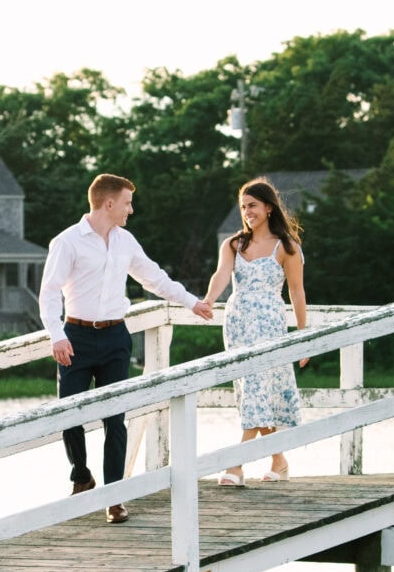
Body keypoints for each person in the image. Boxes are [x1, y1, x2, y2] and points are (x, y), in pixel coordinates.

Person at [40, 174, 215, 524]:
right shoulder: (68, 242)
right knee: (69, 415)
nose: (130, 210)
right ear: (108, 204)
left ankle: (115, 497)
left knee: (115, 419)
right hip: (75, 337)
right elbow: (49, 292)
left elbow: (154, 278)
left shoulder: (125, 241)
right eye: (127, 203)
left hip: (115, 337)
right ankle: (81, 475)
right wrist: (56, 335)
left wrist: (191, 302)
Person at [201, 177, 308, 485]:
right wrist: (208, 300)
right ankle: (279, 460)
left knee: (257, 387)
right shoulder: (234, 244)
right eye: (244, 207)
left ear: (269, 208)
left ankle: (235, 465)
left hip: (269, 324)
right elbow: (221, 275)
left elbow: (297, 292)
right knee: (251, 391)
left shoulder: (287, 247)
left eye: (253, 206)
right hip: (237, 323)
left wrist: (302, 335)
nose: (247, 212)